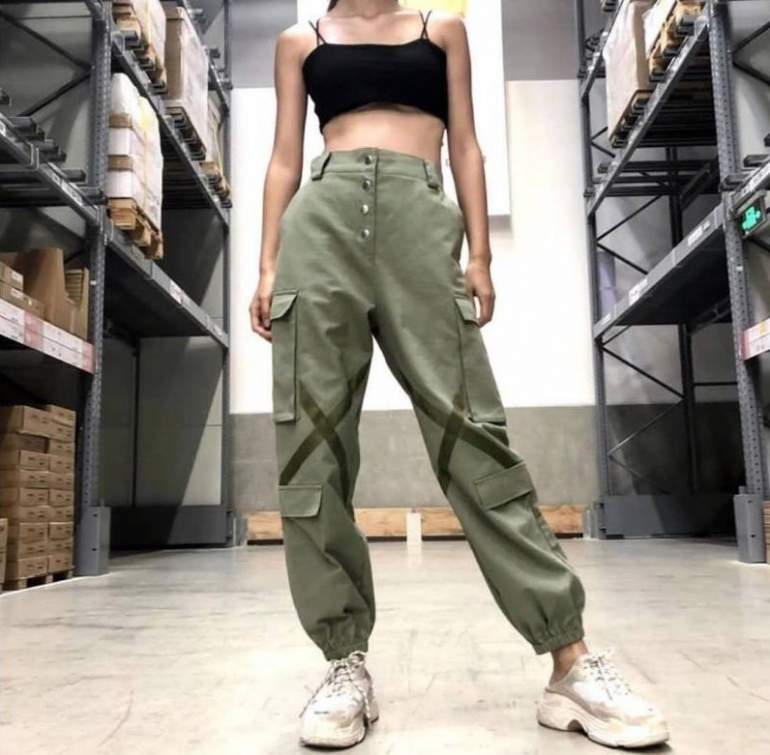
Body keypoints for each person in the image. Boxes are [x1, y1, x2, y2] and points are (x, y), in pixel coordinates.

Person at [250, 0, 669, 750]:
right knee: (312, 451)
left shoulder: (440, 30)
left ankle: (569, 660)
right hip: (320, 229)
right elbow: (284, 158)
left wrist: (479, 254)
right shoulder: (298, 41)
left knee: (473, 437)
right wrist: (267, 265)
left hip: (420, 222)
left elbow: (466, 145)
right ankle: (344, 663)